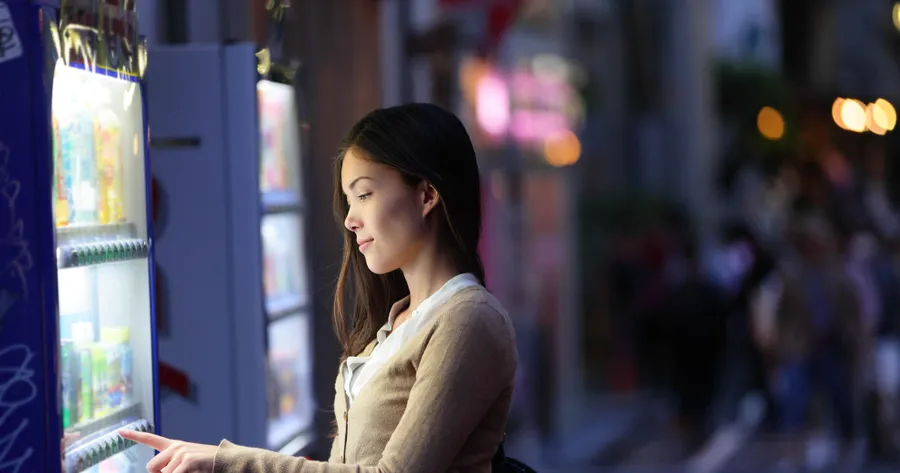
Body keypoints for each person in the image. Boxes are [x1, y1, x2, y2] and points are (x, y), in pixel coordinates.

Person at [121, 103, 519, 472]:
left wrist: (227, 461)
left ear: (427, 195)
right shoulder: (395, 323)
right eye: (348, 201)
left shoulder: (467, 319)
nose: (350, 220)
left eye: (363, 194)